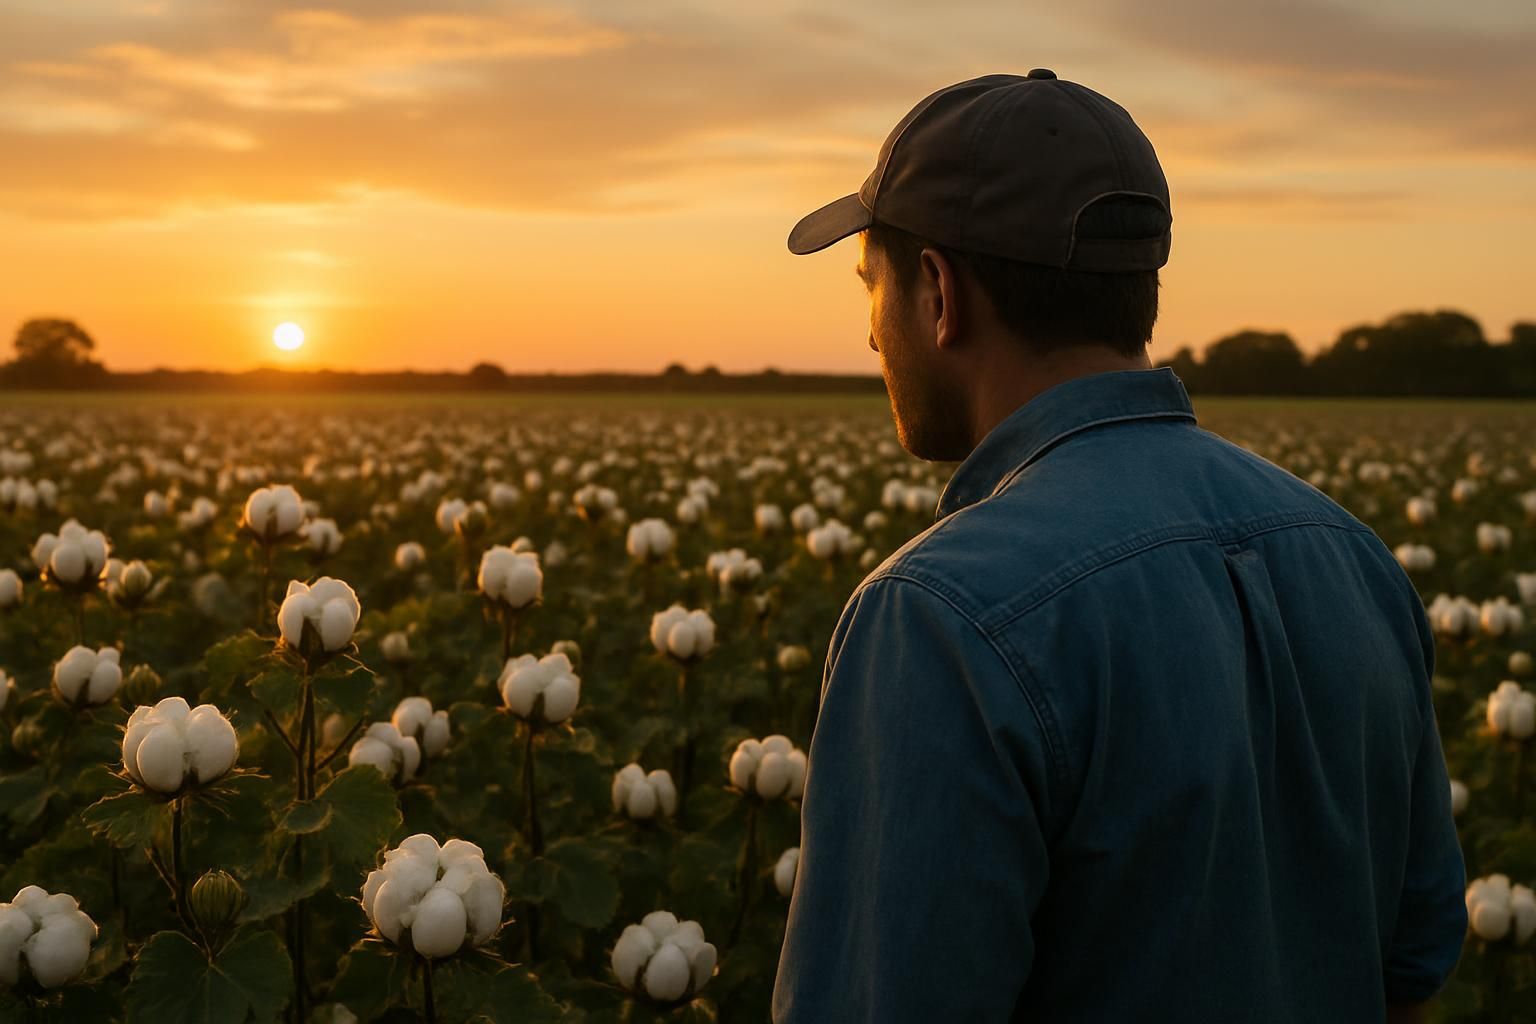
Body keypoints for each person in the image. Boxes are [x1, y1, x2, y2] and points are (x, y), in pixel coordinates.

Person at [772, 72, 1466, 1022]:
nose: (870, 337)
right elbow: (1411, 970)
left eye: (873, 287)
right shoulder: (1352, 555)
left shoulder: (942, 615)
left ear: (938, 294)